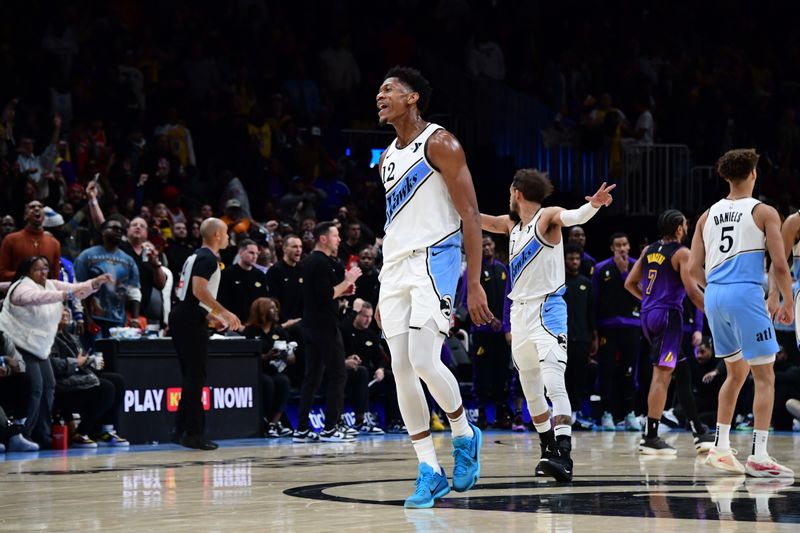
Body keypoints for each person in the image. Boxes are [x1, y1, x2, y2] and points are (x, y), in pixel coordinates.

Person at [375, 67, 491, 508]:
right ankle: (429, 468)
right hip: (396, 266)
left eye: (389, 90)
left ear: (413, 98)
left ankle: (464, 434)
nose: (380, 96)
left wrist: (475, 282)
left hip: (435, 260)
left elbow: (472, 216)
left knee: (424, 359)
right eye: (379, 91)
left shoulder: (441, 143)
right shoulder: (387, 158)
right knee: (402, 369)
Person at [481, 168, 615, 482]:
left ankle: (565, 453)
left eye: (508, 192)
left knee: (554, 381)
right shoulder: (511, 224)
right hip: (519, 312)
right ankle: (547, 449)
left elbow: (576, 216)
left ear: (516, 192)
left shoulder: (547, 217)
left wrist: (593, 204)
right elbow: (477, 218)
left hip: (548, 308)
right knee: (530, 388)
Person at [688, 148, 794, 477]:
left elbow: (693, 269)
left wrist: (718, 287)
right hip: (745, 294)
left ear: (725, 177)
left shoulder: (706, 216)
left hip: (715, 295)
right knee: (765, 376)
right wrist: (787, 300)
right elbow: (778, 263)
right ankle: (759, 455)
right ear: (753, 174)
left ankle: (720, 447)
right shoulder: (764, 212)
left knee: (735, 374)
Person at [624, 209, 713, 455]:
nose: (686, 229)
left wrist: (649, 301)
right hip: (668, 317)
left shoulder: (649, 250)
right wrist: (714, 314)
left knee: (682, 374)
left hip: (648, 316)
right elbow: (693, 291)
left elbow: (629, 283)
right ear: (678, 229)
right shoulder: (682, 253)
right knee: (662, 376)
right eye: (685, 225)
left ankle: (698, 430)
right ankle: (651, 437)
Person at [0, 256, 108, 446]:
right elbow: (32, 298)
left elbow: (76, 290)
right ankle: (23, 435)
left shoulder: (50, 285)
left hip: (40, 346)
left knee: (48, 388)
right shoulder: (20, 286)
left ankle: (43, 434)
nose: (43, 272)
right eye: (37, 269)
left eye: (45, 268)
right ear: (27, 271)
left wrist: (94, 283)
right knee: (35, 388)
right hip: (18, 342)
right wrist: (62, 296)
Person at [170, 217, 242, 450]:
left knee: (191, 376)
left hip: (185, 315)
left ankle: (180, 430)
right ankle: (193, 434)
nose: (229, 237)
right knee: (196, 377)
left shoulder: (196, 256)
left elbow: (190, 298)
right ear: (216, 235)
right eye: (226, 233)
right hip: (189, 320)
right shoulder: (208, 258)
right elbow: (198, 290)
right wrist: (225, 312)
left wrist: (211, 317)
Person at [292, 222, 361, 443]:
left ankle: (302, 429)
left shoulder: (324, 262)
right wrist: (347, 282)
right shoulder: (318, 262)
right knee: (338, 375)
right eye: (335, 235)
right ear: (323, 239)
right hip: (323, 326)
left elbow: (329, 293)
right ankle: (331, 427)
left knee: (312, 377)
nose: (338, 239)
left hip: (313, 324)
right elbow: (324, 295)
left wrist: (345, 290)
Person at [50, 308, 129, 447]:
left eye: (66, 310)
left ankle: (105, 431)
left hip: (77, 376)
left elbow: (83, 358)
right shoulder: (48, 338)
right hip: (62, 383)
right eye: (60, 310)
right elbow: (54, 365)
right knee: (106, 388)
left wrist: (92, 362)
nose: (65, 312)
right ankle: (80, 433)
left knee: (118, 381)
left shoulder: (70, 337)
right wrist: (77, 362)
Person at [459, 234, 512, 429]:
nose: (487, 248)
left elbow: (509, 301)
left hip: (502, 333)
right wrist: (490, 321)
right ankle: (481, 413)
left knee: (502, 373)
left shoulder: (502, 269)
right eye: (483, 246)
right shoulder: (473, 272)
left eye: (489, 244)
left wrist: (506, 325)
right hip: (482, 331)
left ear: (494, 245)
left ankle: (501, 412)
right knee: (482, 373)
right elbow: (465, 301)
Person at [592, 232, 642, 431]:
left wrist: (624, 273)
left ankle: (630, 413)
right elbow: (594, 302)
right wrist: (594, 330)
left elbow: (642, 297)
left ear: (629, 246)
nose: (622, 248)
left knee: (629, 372)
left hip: (631, 326)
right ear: (612, 248)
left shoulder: (638, 266)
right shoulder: (600, 268)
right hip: (607, 328)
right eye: (618, 245)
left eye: (625, 244)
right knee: (607, 371)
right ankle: (607, 413)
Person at [74, 218, 142, 339]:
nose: (119, 232)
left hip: (119, 319)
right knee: (94, 355)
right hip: (93, 318)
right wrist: (85, 317)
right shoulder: (87, 256)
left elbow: (134, 291)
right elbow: (77, 288)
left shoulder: (128, 260)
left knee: (114, 355)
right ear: (103, 232)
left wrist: (135, 319)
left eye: (121, 230)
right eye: (114, 229)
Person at [339, 301, 396, 434]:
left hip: (367, 377)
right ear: (356, 315)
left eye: (370, 317)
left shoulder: (371, 335)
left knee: (390, 376)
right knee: (362, 372)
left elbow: (380, 358)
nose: (368, 320)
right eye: (365, 316)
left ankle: (394, 421)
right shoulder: (345, 330)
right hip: (348, 373)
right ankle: (360, 421)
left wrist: (380, 369)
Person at [242, 297, 294, 438]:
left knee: (283, 381)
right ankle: (264, 420)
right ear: (261, 311)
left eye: (276, 307)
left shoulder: (279, 331)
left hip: (275, 370)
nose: (276, 310)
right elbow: (245, 359)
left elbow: (292, 358)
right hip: (256, 372)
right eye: (272, 307)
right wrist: (266, 357)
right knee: (267, 383)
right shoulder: (249, 332)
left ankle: (274, 423)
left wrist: (285, 356)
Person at [562, 243, 597, 428]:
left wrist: (594, 337)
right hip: (562, 338)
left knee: (579, 378)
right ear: (565, 260)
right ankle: (561, 414)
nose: (574, 262)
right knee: (562, 377)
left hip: (582, 338)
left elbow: (592, 314)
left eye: (577, 259)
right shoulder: (558, 283)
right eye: (571, 258)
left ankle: (575, 414)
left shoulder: (587, 283)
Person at [0, 201, 61, 281]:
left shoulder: (54, 243)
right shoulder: (10, 240)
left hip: (44, 292)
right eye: (32, 207)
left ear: (44, 216)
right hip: (18, 291)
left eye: (40, 207)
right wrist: (27, 276)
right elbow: (2, 273)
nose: (36, 208)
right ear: (25, 215)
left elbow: (55, 277)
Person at [218, 239, 269, 322]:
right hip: (233, 324)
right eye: (251, 253)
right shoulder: (227, 274)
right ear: (240, 253)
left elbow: (264, 301)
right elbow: (221, 301)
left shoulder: (260, 275)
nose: (255, 256)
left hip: (255, 324)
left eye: (256, 253)